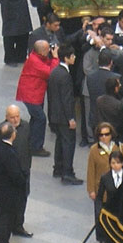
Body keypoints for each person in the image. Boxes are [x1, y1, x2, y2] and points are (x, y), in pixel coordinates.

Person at [0, 121, 29, 243]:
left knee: (2, 215)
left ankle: (3, 242)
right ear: (12, 135)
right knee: (7, 217)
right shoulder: (8, 152)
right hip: (9, 190)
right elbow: (15, 173)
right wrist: (23, 180)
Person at [47, 44, 82, 184]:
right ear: (67, 58)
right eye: (72, 56)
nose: (74, 57)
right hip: (64, 116)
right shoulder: (65, 76)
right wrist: (71, 118)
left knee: (60, 141)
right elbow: (67, 99)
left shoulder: (55, 72)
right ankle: (67, 172)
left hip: (55, 114)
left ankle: (58, 168)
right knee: (68, 143)